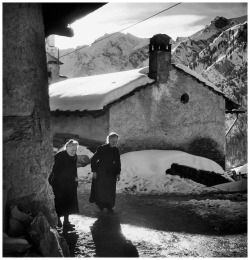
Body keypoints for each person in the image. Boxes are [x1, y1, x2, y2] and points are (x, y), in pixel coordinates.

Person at [50, 139, 79, 228]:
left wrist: (76, 179)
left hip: (70, 183)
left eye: (75, 150)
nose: (73, 152)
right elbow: (53, 170)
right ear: (66, 148)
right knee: (59, 202)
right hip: (59, 183)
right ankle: (58, 220)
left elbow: (74, 169)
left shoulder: (74, 156)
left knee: (69, 202)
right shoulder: (59, 156)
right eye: (72, 150)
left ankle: (66, 221)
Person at [89, 132, 121, 213]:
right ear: (109, 140)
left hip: (111, 173)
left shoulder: (116, 150)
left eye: (116, 141)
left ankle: (110, 206)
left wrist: (118, 173)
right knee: (101, 190)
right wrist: (94, 171)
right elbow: (93, 159)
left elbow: (118, 162)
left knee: (110, 190)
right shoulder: (102, 148)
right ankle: (101, 205)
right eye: (113, 140)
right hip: (101, 172)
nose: (114, 142)